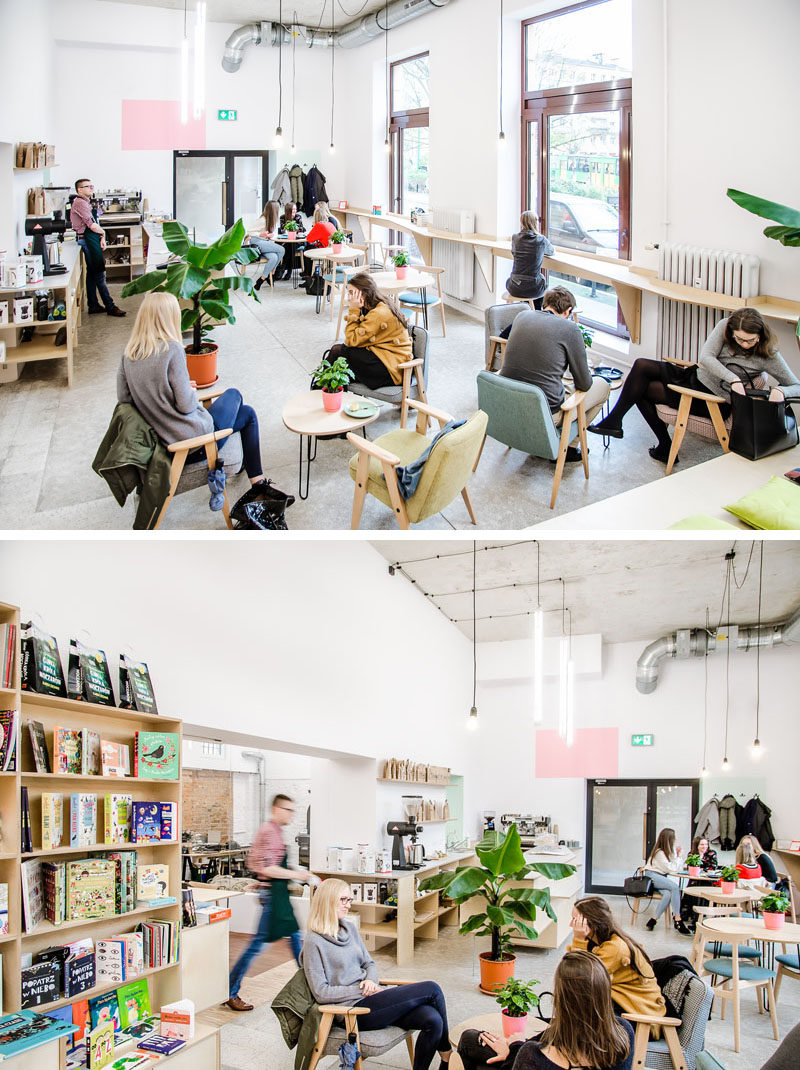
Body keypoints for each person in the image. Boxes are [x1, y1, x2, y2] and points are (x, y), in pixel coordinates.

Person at [118, 293, 292, 513]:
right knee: (235, 395)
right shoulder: (171, 350)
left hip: (159, 440)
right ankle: (259, 486)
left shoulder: (129, 354)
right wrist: (189, 390)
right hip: (192, 444)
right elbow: (186, 406)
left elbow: (124, 402)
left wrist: (160, 400)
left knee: (247, 414)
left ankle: (258, 485)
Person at [588, 309, 800, 463]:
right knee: (641, 366)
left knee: (641, 390)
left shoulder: (769, 354)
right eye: (739, 339)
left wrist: (780, 390)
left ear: (760, 336)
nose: (744, 344)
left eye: (750, 340)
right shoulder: (725, 326)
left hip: (713, 400)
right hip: (695, 378)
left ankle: (657, 442)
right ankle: (617, 423)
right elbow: (706, 357)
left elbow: (796, 385)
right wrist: (733, 379)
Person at [302, 878, 452, 1070]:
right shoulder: (313, 942)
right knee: (432, 988)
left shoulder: (349, 928)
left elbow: (369, 963)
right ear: (328, 901)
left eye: (349, 899)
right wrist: (361, 989)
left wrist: (371, 981)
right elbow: (321, 993)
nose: (349, 904)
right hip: (353, 1011)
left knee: (433, 1020)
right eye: (344, 900)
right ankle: (446, 1053)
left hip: (372, 999)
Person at [458, 949, 633, 1070]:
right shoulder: (624, 1032)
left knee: (469, 1039)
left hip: (522, 1054)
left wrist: (516, 1048)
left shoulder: (533, 1056)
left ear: (561, 1000)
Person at [499, 286, 610, 462]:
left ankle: (554, 443)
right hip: (544, 412)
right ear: (568, 311)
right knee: (603, 386)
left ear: (545, 304)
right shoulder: (570, 329)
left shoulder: (522, 316)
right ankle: (569, 447)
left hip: (509, 402)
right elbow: (584, 384)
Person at [227, 793, 314, 1012]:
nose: (291, 815)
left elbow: (264, 865)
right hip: (273, 898)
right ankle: (230, 991)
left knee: (296, 938)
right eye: (288, 810)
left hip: (277, 895)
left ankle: (313, 988)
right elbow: (267, 868)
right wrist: (299, 876)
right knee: (258, 945)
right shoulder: (268, 832)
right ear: (276, 809)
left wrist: (292, 874)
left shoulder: (276, 832)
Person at [568, 897, 668, 1025]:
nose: (571, 924)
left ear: (592, 923)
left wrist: (578, 939)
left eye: (576, 920)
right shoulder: (605, 941)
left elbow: (578, 977)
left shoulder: (615, 948)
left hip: (640, 1019)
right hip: (628, 1008)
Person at [326, 272, 412, 390]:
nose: (349, 298)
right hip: (382, 357)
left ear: (364, 294)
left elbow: (351, 340)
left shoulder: (379, 313)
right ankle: (328, 392)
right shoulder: (373, 305)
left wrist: (354, 309)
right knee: (339, 357)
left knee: (340, 352)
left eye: (352, 293)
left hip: (392, 369)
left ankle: (322, 392)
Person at [69, 179, 126, 317]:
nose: (91, 188)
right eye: (87, 186)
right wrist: (103, 233)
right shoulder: (80, 203)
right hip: (87, 240)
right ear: (79, 190)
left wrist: (100, 236)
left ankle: (93, 305)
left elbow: (93, 224)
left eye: (91, 186)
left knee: (92, 274)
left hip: (89, 238)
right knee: (100, 274)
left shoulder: (85, 202)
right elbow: (91, 225)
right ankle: (110, 306)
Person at [642, 828, 689, 933]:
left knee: (668, 894)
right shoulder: (659, 853)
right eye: (674, 838)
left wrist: (676, 854)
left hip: (659, 877)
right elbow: (671, 868)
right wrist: (680, 856)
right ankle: (678, 919)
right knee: (675, 888)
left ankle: (653, 920)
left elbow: (673, 866)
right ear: (669, 839)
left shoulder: (664, 852)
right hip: (652, 877)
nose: (675, 840)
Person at [504, 212, 555, 307]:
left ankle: (524, 312)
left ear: (521, 222)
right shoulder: (540, 240)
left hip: (514, 287)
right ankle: (536, 314)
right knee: (540, 283)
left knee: (520, 283)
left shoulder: (515, 238)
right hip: (533, 288)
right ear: (535, 223)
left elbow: (513, 252)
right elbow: (551, 251)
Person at [679, 836, 719, 932]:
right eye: (701, 844)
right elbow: (690, 867)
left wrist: (701, 869)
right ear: (696, 845)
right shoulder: (692, 854)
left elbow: (713, 867)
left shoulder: (711, 853)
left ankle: (696, 920)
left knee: (700, 891)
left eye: (706, 844)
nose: (704, 846)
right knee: (691, 890)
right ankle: (689, 916)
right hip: (695, 879)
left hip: (707, 881)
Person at [245, 200, 285, 290]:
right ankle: (273, 271)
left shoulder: (269, 220)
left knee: (274, 257)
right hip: (257, 242)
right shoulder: (262, 220)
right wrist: (260, 234)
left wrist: (268, 235)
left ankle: (262, 279)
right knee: (282, 249)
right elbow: (249, 232)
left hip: (263, 242)